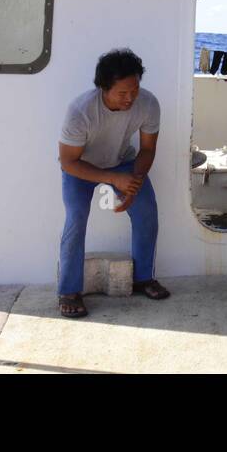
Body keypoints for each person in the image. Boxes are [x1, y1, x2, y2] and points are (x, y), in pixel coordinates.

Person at [57, 48, 168, 318]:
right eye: (122, 93)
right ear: (103, 88)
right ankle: (69, 291)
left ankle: (143, 278)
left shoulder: (149, 104)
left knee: (146, 212)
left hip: (123, 162)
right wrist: (112, 178)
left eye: (135, 90)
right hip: (82, 166)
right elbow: (68, 162)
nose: (130, 98)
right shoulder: (80, 111)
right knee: (76, 218)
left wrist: (134, 182)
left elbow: (147, 150)